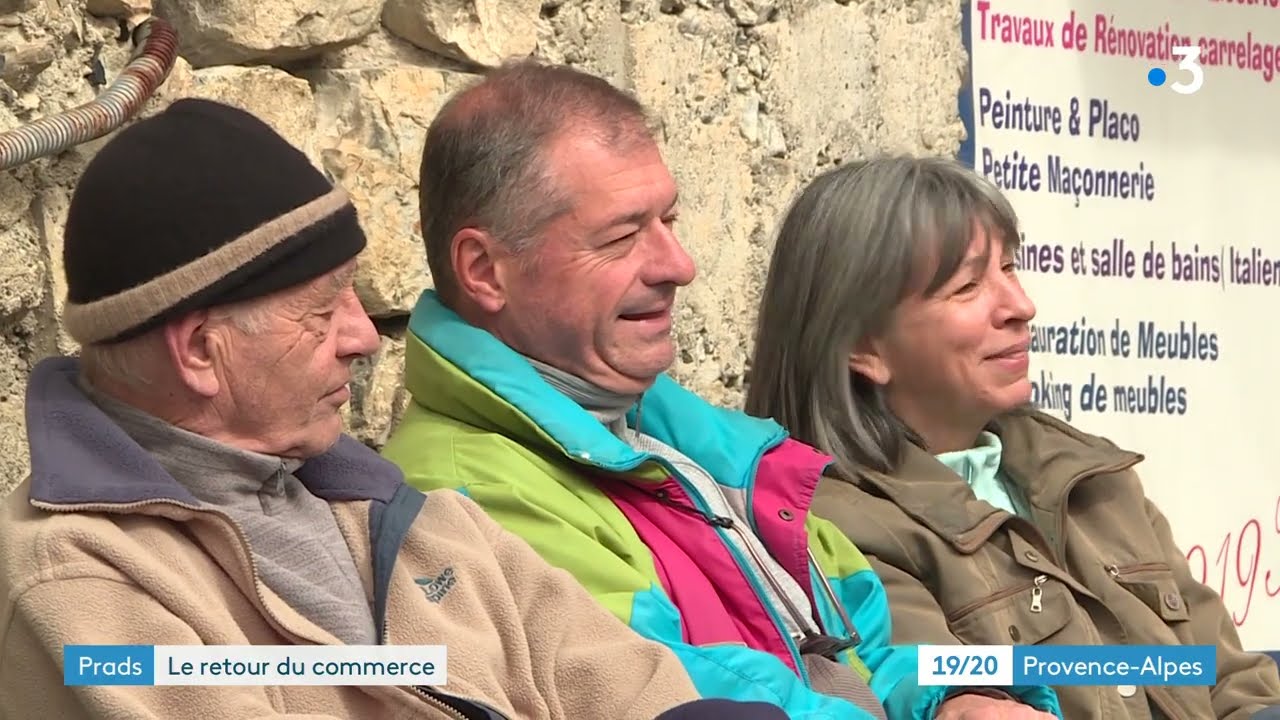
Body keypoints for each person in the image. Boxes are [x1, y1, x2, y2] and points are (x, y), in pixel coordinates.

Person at [0, 97, 793, 720]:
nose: (363, 336)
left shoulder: (396, 510)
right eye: (322, 309)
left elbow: (632, 686)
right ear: (202, 351)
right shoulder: (80, 588)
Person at [380, 59, 1061, 720]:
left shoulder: (691, 441)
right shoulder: (466, 494)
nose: (679, 265)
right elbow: (678, 694)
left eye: (669, 222)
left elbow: (867, 646)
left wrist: (958, 701)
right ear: (485, 270)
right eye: (621, 237)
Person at [743, 154, 1280, 720]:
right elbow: (944, 691)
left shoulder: (1094, 479)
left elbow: (1232, 682)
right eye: (969, 285)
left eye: (1010, 268)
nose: (1021, 307)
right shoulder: (833, 530)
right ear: (863, 348)